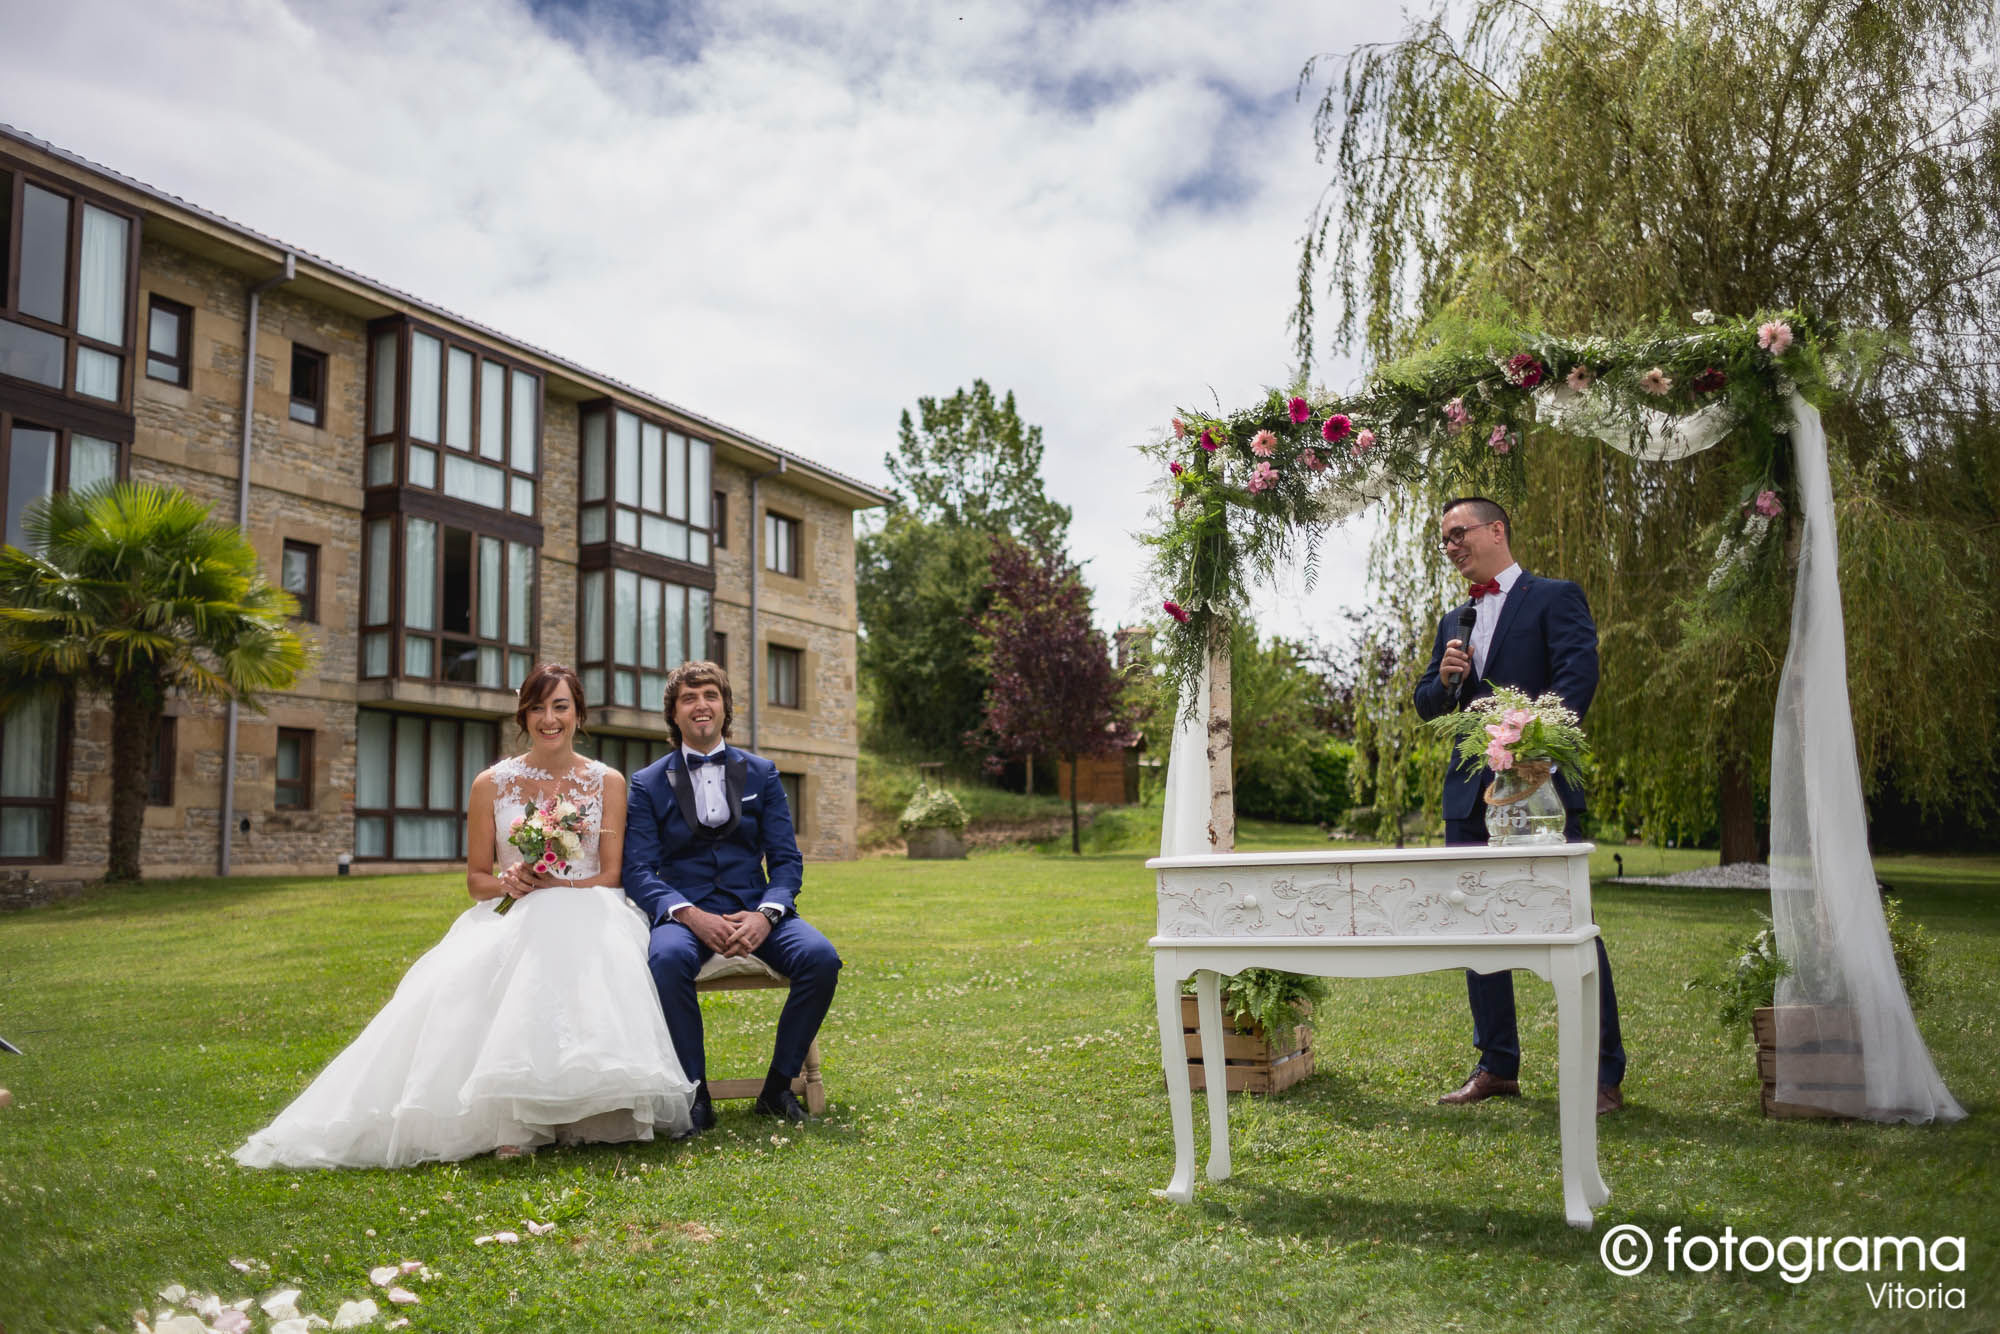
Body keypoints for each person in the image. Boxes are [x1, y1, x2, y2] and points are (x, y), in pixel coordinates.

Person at [234, 665, 694, 1168]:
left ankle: (588, 1113)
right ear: (523, 716)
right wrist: (510, 882)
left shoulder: (606, 781)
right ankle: (510, 1118)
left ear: (579, 713)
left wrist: (558, 885)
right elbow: (477, 878)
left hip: (588, 906)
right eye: (537, 708)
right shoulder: (490, 784)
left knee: (572, 929)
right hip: (515, 909)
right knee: (491, 963)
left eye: (560, 706)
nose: (549, 719)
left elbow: (610, 875)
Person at [1413, 496, 1628, 1116]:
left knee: (1571, 928)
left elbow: (1576, 679)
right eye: (1444, 539)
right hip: (1468, 797)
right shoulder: (1454, 620)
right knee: (1480, 933)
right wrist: (1449, 677)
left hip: (1541, 793)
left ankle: (1601, 1074)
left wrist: (1528, 743)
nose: (1451, 546)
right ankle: (1497, 1065)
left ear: (1497, 530)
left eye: (1459, 533)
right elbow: (1428, 703)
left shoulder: (1555, 596)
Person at [624, 660, 840, 1130]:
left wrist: (765, 914)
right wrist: (690, 916)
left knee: (822, 958)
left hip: (757, 911)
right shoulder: (646, 783)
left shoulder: (762, 773)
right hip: (687, 917)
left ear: (725, 708)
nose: (701, 705)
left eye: (710, 696)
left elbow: (786, 859)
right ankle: (696, 1095)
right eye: (689, 698)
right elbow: (638, 871)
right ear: (674, 714)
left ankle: (778, 1087)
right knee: (664, 961)